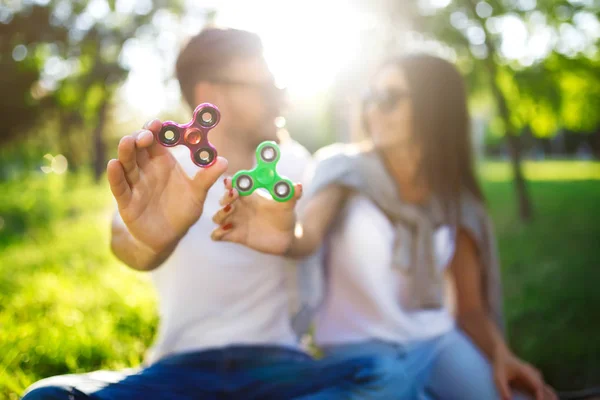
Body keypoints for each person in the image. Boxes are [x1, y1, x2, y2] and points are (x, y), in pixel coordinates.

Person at [22, 28, 374, 400]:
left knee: (383, 373)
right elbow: (125, 243)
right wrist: (149, 240)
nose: (281, 102)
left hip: (279, 367)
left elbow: (308, 237)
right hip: (177, 372)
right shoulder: (159, 170)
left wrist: (289, 238)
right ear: (211, 96)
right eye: (267, 89)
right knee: (48, 397)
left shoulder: (294, 162)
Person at [211, 54, 557, 400]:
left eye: (389, 99)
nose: (373, 109)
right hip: (360, 352)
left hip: (437, 343)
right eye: (370, 98)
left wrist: (501, 354)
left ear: (433, 108)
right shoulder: (343, 168)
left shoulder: (454, 195)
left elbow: (469, 308)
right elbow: (308, 235)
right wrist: (286, 235)